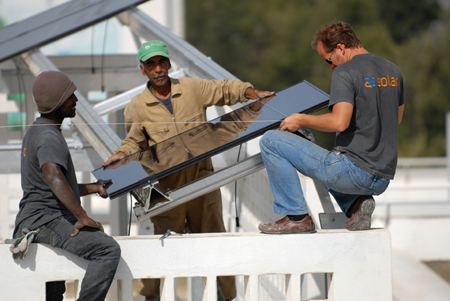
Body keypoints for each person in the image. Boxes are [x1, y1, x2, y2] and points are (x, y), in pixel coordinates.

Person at [103, 40, 274, 301]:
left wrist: (253, 94)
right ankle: (150, 298)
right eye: (151, 64)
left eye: (162, 62)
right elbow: (134, 141)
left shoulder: (192, 88)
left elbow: (226, 89)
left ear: (169, 64)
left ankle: (227, 298)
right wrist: (121, 155)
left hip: (203, 183)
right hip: (167, 192)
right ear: (143, 70)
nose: (158, 69)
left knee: (216, 247)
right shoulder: (137, 106)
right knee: (162, 252)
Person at [258, 21, 404, 234]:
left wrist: (301, 119)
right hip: (382, 178)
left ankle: (296, 217)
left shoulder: (345, 71)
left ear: (341, 49)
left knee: (271, 141)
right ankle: (356, 204)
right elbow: (396, 119)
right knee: (325, 159)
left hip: (353, 173)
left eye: (328, 60)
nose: (330, 67)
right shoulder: (393, 71)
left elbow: (339, 122)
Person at [12, 70, 121, 301]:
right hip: (46, 220)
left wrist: (95, 187)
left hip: (36, 219)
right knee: (107, 250)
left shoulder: (39, 129)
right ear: (57, 102)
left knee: (53, 292)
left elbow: (55, 183)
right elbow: (53, 177)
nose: (76, 100)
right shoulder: (48, 137)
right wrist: (81, 216)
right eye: (70, 96)